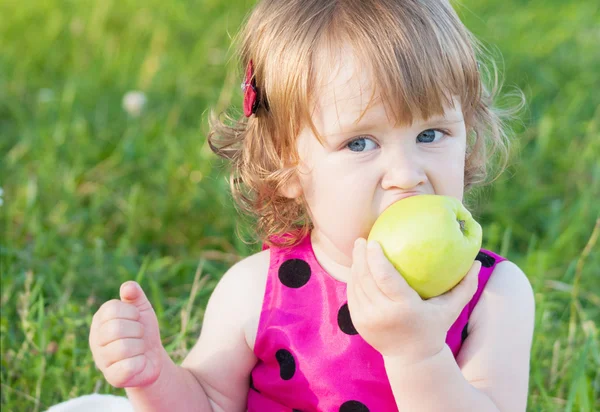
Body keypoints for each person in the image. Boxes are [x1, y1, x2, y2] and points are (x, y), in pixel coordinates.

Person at [87, 0, 535, 411]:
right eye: (360, 143)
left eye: (431, 135)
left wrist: (417, 353)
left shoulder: (491, 295)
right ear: (288, 167)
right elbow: (208, 403)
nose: (406, 173)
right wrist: (152, 378)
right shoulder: (257, 291)